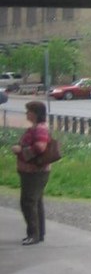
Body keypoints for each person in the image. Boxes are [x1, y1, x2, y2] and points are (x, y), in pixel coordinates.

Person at [11, 100, 51, 245]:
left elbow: (40, 147)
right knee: (36, 201)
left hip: (35, 172)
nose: (26, 113)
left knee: (28, 202)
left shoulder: (40, 129)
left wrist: (21, 150)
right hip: (31, 171)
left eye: (28, 111)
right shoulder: (35, 128)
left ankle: (33, 234)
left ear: (35, 114)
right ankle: (39, 233)